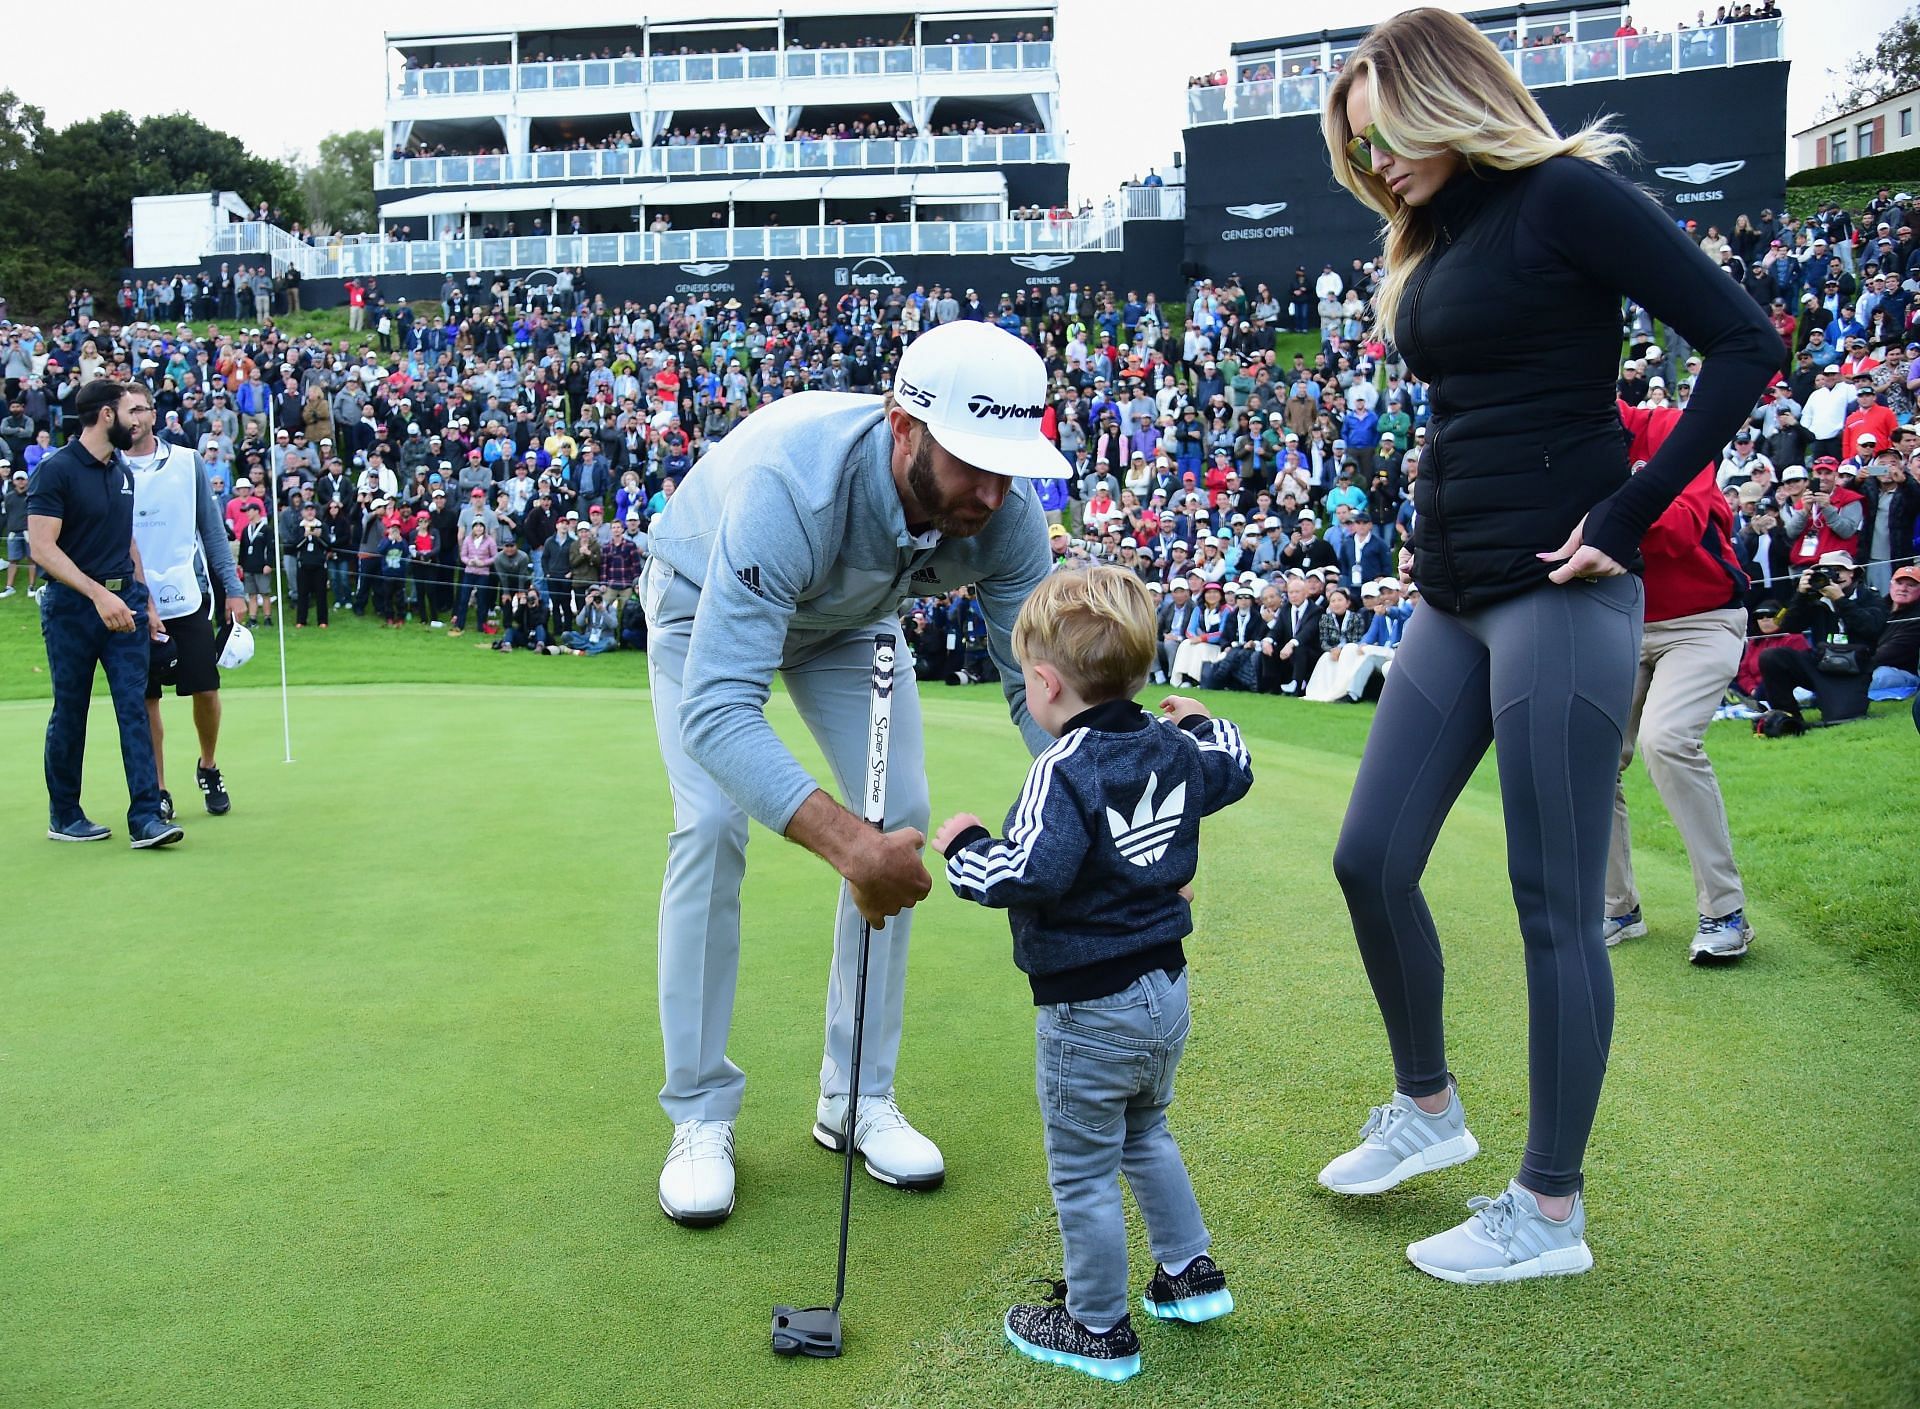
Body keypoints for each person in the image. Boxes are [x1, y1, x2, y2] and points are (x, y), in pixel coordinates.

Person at [1318, 9, 1778, 1283]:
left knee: (1552, 901)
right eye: (1357, 152)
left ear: (1444, 100)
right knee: (1368, 858)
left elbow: (1748, 342)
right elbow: (1467, 406)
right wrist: (1426, 533)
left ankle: (1549, 1208)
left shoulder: (1567, 195)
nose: (1375, 168)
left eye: (1384, 139)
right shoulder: (1440, 232)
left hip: (1563, 595)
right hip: (1458, 592)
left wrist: (1628, 514)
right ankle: (1427, 1109)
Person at [640, 319, 1058, 1228]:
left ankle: (856, 1097)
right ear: (903, 426)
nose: (991, 492)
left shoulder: (1007, 517)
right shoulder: (793, 482)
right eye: (970, 463)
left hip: (849, 621)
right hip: (698, 603)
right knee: (710, 826)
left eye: (1008, 465)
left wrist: (1117, 794)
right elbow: (718, 711)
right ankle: (700, 1113)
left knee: (899, 810)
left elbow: (1041, 693)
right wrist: (847, 847)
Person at [931, 567, 1254, 1382]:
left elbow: (1026, 872)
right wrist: (1206, 716)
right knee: (1147, 1132)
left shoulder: (1062, 769)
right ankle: (1189, 1274)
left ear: (1043, 683)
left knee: (1082, 1167)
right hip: (1166, 990)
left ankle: (1098, 1324)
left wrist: (965, 845)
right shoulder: (1174, 745)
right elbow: (1234, 765)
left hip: (1088, 1007)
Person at [1604, 401, 1757, 965]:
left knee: (1666, 740)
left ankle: (1725, 911)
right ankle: (1617, 907)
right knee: (1590, 758)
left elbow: (1681, 528)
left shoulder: (1668, 427)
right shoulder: (1556, 442)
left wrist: (1599, 504)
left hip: (1702, 619)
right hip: (1617, 623)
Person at [25, 378, 183, 848]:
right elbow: (42, 548)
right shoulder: (56, 471)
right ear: (107, 415)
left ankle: (146, 818)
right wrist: (98, 594)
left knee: (133, 708)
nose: (140, 420)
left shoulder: (122, 472)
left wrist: (145, 599)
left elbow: (126, 540)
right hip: (72, 608)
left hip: (125, 606)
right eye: (132, 411)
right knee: (71, 711)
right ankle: (66, 815)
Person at [125, 383, 246, 821]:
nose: (134, 418)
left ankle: (208, 766)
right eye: (127, 411)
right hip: (132, 602)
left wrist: (233, 589)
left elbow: (211, 530)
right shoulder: (108, 466)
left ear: (154, 414)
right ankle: (157, 788)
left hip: (186, 594)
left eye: (141, 409)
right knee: (145, 699)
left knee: (206, 689)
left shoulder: (186, 461)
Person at [1757, 552, 1887, 725]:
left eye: (1839, 570)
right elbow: (1789, 626)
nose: (1835, 576)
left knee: (1842, 718)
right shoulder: (1815, 599)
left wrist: (1840, 600)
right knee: (1771, 656)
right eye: (1828, 571)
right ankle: (1788, 716)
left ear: (1853, 573)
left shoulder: (1870, 597)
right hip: (1819, 663)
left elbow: (1871, 628)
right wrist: (1801, 595)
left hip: (1853, 669)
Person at [4, 464, 41, 597]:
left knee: (32, 559)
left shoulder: (32, 495)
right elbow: (8, 513)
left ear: (27, 480)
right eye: (18, 479)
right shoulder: (8, 497)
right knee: (13, 559)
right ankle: (9, 587)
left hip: (29, 532)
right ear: (14, 481)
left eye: (23, 479)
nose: (20, 481)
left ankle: (31, 587)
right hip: (14, 532)